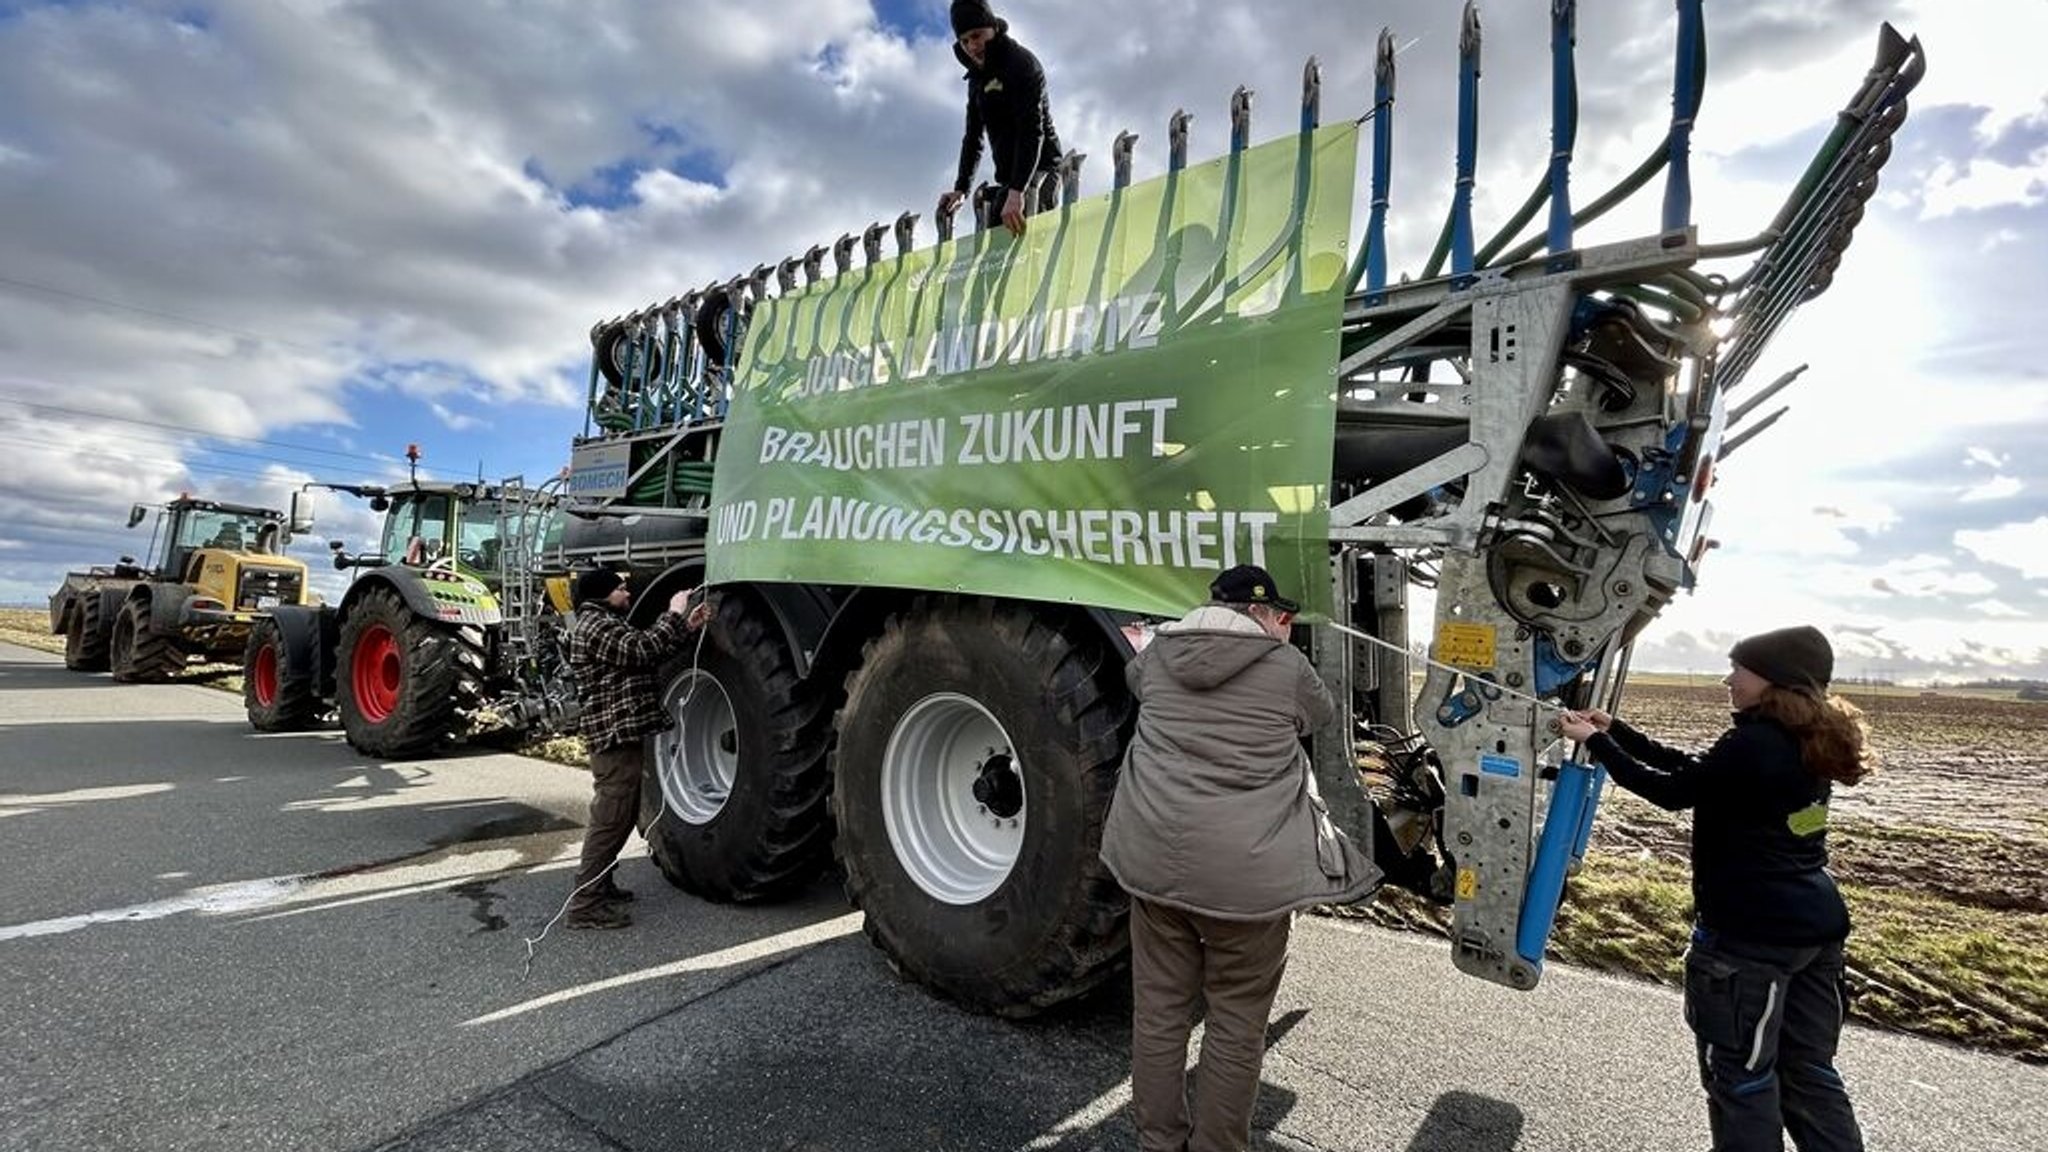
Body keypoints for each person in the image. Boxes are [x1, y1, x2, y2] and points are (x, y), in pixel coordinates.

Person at [1558, 625, 1874, 1152]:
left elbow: (1672, 791)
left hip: (1750, 939)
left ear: (1773, 679)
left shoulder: (1755, 742)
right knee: (1808, 1072)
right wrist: (1617, 733)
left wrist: (1596, 744)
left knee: (1741, 1075)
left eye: (1739, 669)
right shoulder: (1804, 737)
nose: (1728, 679)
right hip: (1815, 930)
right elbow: (1701, 772)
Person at [1101, 564, 1381, 1152]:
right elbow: (1320, 715)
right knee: (1234, 1023)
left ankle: (1159, 1142)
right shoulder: (1286, 668)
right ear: (1259, 615)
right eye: (1279, 615)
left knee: (1158, 1016)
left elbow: (1137, 681)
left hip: (1153, 866)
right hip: (1247, 885)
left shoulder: (1157, 658)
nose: (1285, 624)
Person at [563, 569, 712, 930]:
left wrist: (686, 628)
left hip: (621, 734)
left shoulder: (604, 623)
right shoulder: (595, 626)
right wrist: (674, 612)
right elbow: (643, 648)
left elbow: (645, 655)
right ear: (602, 595)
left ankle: (600, 886)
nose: (627, 592)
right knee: (610, 818)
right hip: (612, 737)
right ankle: (584, 905)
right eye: (620, 588)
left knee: (620, 814)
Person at [939, 0, 1063, 237]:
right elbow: (973, 137)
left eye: (976, 36)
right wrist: (962, 188)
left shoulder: (1023, 64)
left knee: (1022, 234)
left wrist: (1018, 191)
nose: (972, 46)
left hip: (1041, 169)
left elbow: (1032, 131)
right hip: (1009, 177)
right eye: (964, 41)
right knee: (996, 225)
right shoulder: (977, 79)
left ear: (993, 28)